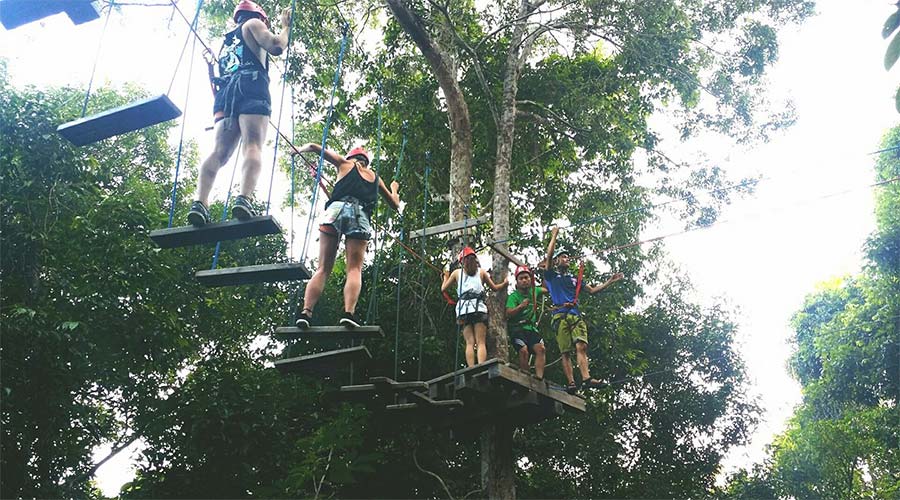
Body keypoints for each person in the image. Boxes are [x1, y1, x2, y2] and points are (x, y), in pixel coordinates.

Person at [188, 1, 292, 226]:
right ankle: (244, 198)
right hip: (251, 86)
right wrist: (285, 28)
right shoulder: (253, 24)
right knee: (253, 145)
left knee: (219, 152)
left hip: (226, 94)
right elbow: (275, 46)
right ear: (260, 17)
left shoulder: (227, 41)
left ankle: (200, 203)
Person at [293, 144, 401, 328]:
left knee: (322, 269)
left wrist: (297, 150)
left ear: (351, 158)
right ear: (366, 162)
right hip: (360, 216)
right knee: (354, 269)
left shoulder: (344, 163)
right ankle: (348, 313)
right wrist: (394, 189)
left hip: (335, 211)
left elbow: (314, 146)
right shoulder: (375, 178)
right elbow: (394, 204)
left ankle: (306, 312)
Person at [538, 227, 624, 394]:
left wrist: (609, 281)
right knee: (565, 351)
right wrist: (554, 236)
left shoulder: (574, 279)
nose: (566, 259)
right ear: (556, 262)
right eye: (563, 257)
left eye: (567, 257)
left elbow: (591, 290)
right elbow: (548, 257)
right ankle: (571, 382)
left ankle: (586, 378)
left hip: (574, 314)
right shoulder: (551, 277)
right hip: (559, 316)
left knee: (581, 346)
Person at [441, 247, 508, 367]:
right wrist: (505, 283)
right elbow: (495, 288)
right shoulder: (481, 272)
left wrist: (446, 277)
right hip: (478, 309)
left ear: (461, 261)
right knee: (480, 342)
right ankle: (481, 365)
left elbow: (443, 289)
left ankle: (471, 368)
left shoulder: (456, 273)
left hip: (463, 310)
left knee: (469, 342)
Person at [506, 265, 546, 379]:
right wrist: (521, 307)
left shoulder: (534, 291)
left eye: (526, 278)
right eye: (521, 278)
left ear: (530, 279)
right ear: (517, 282)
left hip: (531, 329)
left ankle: (539, 378)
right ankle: (525, 377)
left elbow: (546, 289)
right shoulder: (513, 297)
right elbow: (508, 313)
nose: (524, 281)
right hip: (518, 329)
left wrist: (545, 272)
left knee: (541, 349)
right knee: (523, 351)